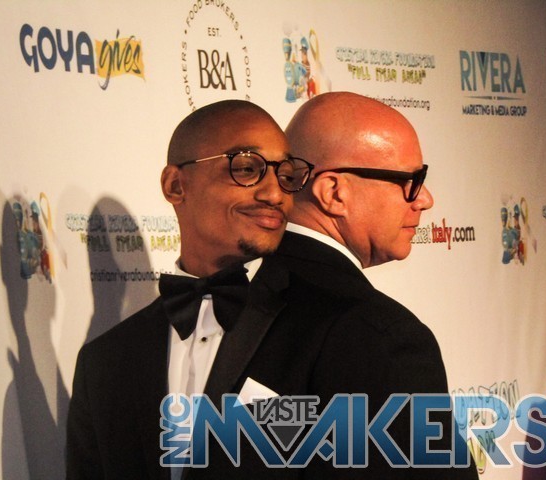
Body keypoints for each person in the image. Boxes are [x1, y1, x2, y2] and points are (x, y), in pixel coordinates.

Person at [66, 99, 346, 479]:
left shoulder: (333, 332)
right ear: (175, 185)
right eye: (247, 169)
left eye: (286, 175)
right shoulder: (104, 363)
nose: (275, 195)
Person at [274, 91, 479, 479]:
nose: (425, 199)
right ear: (334, 192)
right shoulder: (383, 337)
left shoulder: (224, 296)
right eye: (410, 181)